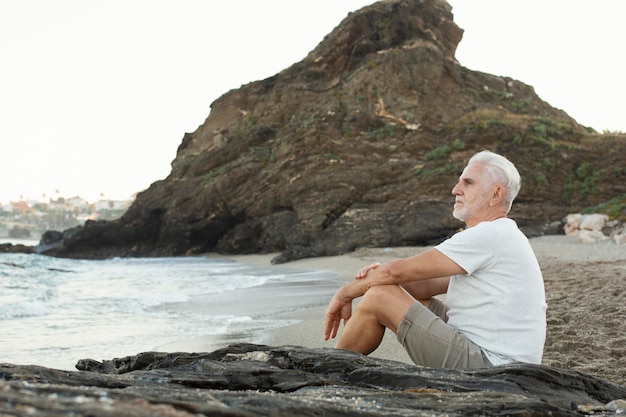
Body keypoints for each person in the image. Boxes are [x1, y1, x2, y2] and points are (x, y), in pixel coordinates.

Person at [323, 150, 547, 368]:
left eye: (468, 183)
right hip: (496, 355)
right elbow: (424, 287)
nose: (455, 190)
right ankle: (339, 363)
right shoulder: (502, 234)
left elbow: (395, 272)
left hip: (494, 365)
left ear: (495, 195)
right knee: (391, 290)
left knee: (379, 295)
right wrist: (379, 275)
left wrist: (346, 293)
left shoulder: (490, 235)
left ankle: (331, 369)